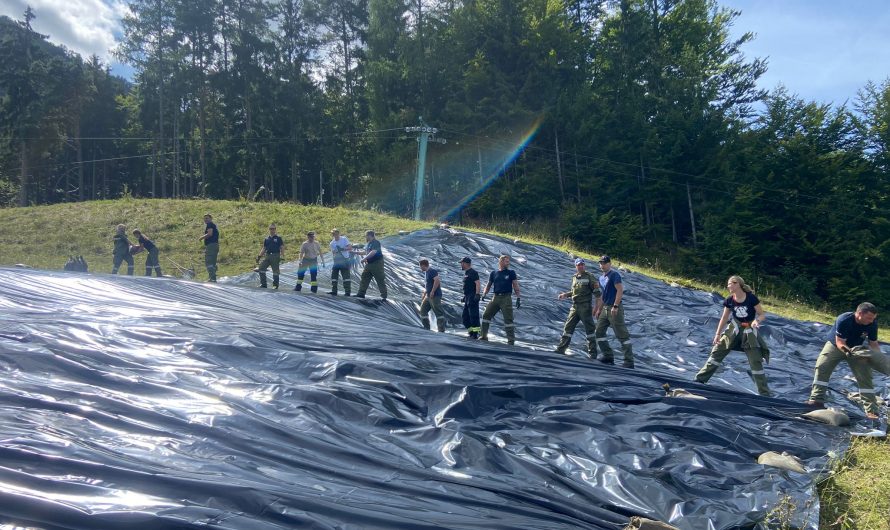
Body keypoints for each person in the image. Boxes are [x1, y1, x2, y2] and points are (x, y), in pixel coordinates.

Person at [694, 275, 771, 396]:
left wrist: (757, 321)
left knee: (755, 360)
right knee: (718, 351)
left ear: (737, 284)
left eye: (730, 283)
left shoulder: (751, 298)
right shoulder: (730, 300)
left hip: (749, 331)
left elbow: (761, 314)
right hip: (734, 329)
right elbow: (724, 318)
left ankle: (765, 394)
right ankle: (700, 380)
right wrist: (718, 334)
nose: (728, 286)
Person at [807, 302, 882, 418]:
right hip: (836, 346)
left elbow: (874, 344)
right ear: (859, 313)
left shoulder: (872, 325)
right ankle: (816, 400)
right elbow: (840, 343)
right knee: (822, 366)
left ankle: (872, 411)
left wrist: (879, 358)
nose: (871, 321)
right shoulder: (844, 320)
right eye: (869, 318)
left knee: (865, 376)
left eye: (873, 319)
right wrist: (849, 353)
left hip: (856, 349)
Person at [555, 258, 602, 357]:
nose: (580, 266)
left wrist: (597, 308)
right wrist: (565, 295)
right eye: (578, 265)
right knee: (568, 328)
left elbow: (597, 294)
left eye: (582, 264)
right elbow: (574, 292)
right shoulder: (574, 277)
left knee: (590, 331)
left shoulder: (590, 277)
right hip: (575, 307)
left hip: (585, 307)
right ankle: (561, 348)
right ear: (575, 266)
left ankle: (592, 354)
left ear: (584, 265)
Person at [594, 255, 634, 367]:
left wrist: (615, 306)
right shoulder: (601, 278)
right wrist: (598, 309)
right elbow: (603, 295)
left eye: (605, 263)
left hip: (614, 308)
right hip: (605, 308)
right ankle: (607, 355)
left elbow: (620, 290)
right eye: (601, 263)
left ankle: (629, 361)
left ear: (609, 264)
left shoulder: (614, 275)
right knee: (599, 331)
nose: (602, 265)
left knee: (621, 334)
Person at [480, 254, 521, 345]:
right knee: (486, 315)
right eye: (506, 261)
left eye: (508, 261)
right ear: (501, 262)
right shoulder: (494, 273)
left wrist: (518, 298)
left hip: (506, 298)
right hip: (495, 297)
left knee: (508, 320)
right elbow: (489, 284)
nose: (508, 263)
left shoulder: (511, 273)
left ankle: (511, 341)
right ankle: (483, 336)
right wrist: (484, 294)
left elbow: (515, 285)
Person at [355, 230, 388, 300]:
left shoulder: (376, 242)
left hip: (377, 264)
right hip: (369, 264)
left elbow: (373, 252)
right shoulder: (369, 243)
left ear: (370, 235)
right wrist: (354, 252)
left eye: (366, 235)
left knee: (379, 279)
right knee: (364, 277)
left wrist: (364, 259)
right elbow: (365, 252)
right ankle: (361, 294)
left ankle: (384, 296)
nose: (366, 237)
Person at [418, 259, 445, 331]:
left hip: (435, 295)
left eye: (420, 266)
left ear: (423, 265)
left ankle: (441, 330)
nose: (420, 268)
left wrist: (433, 291)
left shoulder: (432, 271)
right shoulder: (426, 273)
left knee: (438, 313)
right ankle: (426, 328)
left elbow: (437, 280)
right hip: (428, 296)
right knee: (422, 311)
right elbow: (428, 285)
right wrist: (425, 294)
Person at [255, 224, 285, 289]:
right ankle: (263, 284)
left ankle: (275, 286)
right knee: (261, 268)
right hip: (268, 255)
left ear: (275, 229)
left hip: (275, 255)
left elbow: (282, 247)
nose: (272, 230)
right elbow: (264, 248)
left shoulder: (278, 238)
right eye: (271, 229)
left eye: (273, 229)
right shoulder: (267, 239)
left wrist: (282, 256)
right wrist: (259, 256)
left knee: (275, 272)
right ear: (269, 229)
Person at [459, 257, 481, 339]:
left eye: (462, 263)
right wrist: (465, 297)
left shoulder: (473, 272)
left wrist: (477, 294)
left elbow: (477, 283)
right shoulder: (466, 273)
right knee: (465, 317)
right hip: (467, 297)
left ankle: (476, 334)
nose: (461, 264)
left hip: (472, 296)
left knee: (473, 316)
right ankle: (471, 332)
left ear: (465, 263)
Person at [198, 214, 219, 282]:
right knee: (213, 262)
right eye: (204, 219)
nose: (205, 220)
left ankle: (212, 278)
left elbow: (210, 234)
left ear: (211, 219)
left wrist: (201, 238)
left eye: (207, 218)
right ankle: (213, 278)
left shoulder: (210, 224)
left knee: (209, 261)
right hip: (216, 245)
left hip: (211, 245)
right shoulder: (214, 225)